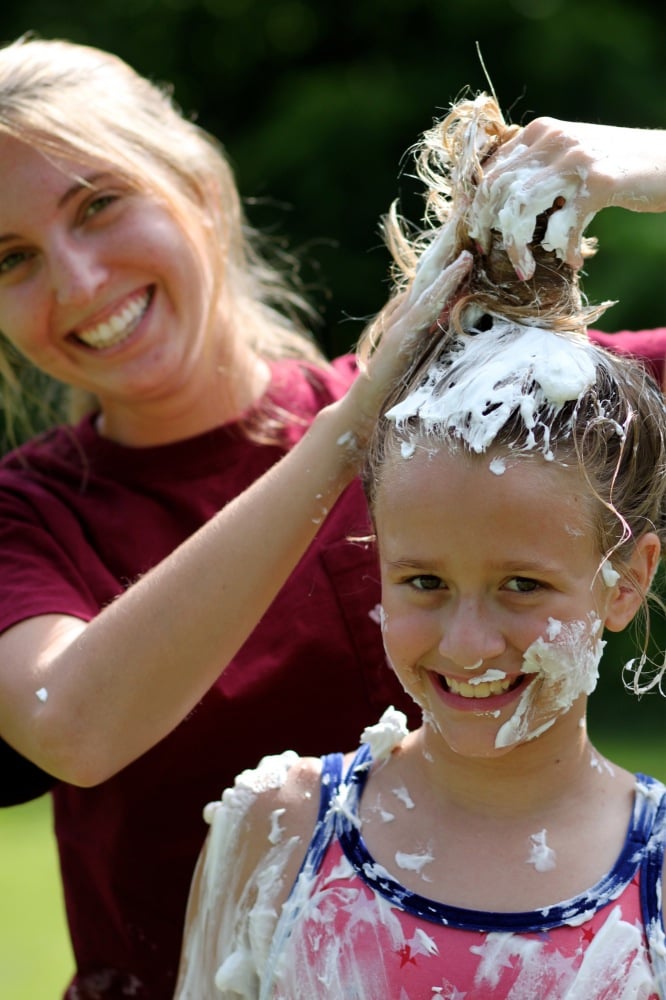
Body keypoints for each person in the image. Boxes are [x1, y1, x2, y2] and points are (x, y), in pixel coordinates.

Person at [0, 35, 663, 999]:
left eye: (99, 205)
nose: (78, 280)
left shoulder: (469, 427)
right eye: (10, 257)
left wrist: (643, 164)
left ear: (201, 189)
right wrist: (351, 428)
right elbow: (69, 724)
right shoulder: (29, 515)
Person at [175, 95, 666, 998]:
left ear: (626, 580)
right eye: (425, 581)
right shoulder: (278, 833)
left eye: (522, 584)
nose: (468, 643)